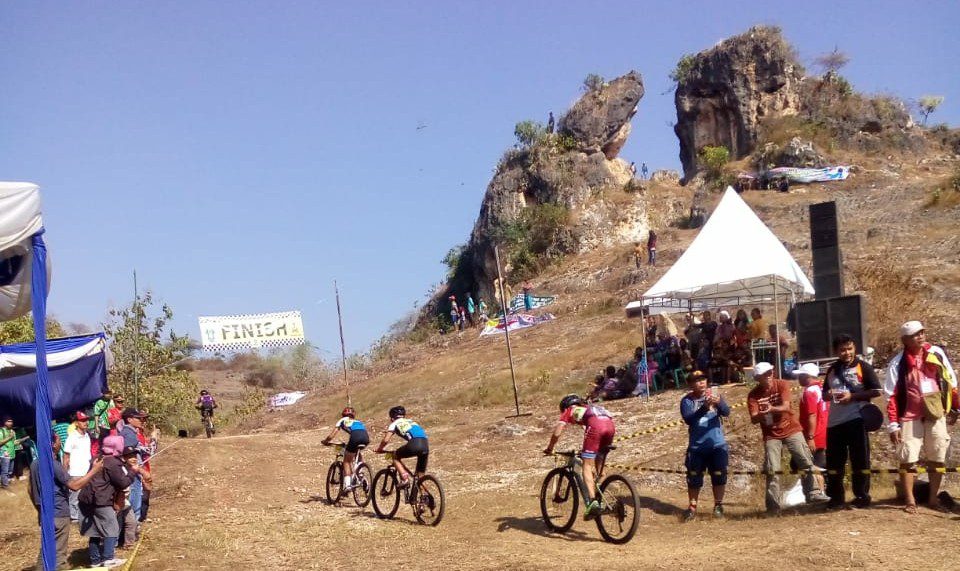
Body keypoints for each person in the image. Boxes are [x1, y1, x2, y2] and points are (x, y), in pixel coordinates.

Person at [884, 321, 957, 513]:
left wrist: (955, 407)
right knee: (908, 457)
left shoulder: (936, 353)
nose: (921, 336)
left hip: (935, 412)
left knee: (938, 454)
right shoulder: (897, 363)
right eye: (915, 334)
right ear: (905, 340)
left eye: (922, 332)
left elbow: (950, 380)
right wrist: (893, 424)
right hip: (909, 415)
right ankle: (910, 501)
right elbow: (890, 395)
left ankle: (933, 499)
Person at [747, 362, 829, 513]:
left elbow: (786, 406)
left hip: (791, 429)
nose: (769, 375)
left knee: (805, 461)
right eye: (765, 374)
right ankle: (773, 505)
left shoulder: (782, 384)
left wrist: (771, 408)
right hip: (771, 434)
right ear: (758, 378)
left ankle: (813, 493)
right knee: (772, 469)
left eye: (770, 372)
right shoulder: (753, 395)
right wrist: (762, 414)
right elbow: (753, 418)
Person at [821, 335, 882, 509]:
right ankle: (836, 498)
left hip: (856, 419)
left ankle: (862, 496)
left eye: (849, 349)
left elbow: (876, 391)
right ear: (836, 351)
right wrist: (830, 395)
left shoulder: (864, 366)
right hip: (834, 422)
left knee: (860, 459)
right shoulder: (832, 370)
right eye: (842, 350)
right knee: (834, 462)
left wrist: (852, 396)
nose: (847, 353)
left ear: (854, 348)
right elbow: (824, 394)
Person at [30, 432, 103, 571]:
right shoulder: (53, 464)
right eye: (58, 440)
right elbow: (74, 486)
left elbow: (30, 489)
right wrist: (94, 471)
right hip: (59, 513)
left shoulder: (35, 464)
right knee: (58, 553)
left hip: (45, 514)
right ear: (52, 444)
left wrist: (39, 508)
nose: (61, 443)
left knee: (46, 549)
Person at [543, 395, 615, 519]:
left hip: (596, 427)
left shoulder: (569, 410)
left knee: (586, 466)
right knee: (600, 471)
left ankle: (593, 502)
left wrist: (550, 448)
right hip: (610, 427)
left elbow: (557, 433)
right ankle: (601, 498)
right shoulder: (588, 408)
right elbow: (586, 427)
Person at [79, 435, 139, 568]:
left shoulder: (97, 458)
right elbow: (123, 483)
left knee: (94, 531)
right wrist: (133, 472)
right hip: (101, 500)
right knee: (112, 528)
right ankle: (108, 558)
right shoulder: (112, 462)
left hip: (87, 499)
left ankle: (95, 561)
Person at [680, 371, 731, 521]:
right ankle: (692, 507)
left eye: (703, 379)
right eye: (697, 380)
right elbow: (689, 419)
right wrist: (704, 407)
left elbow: (726, 412)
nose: (701, 382)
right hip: (697, 447)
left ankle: (718, 506)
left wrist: (719, 402)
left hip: (717, 445)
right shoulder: (687, 401)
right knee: (694, 478)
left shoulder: (714, 395)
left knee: (719, 476)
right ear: (691, 384)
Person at [792, 363, 829, 499]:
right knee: (816, 465)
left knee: (811, 465)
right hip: (823, 431)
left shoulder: (809, 392)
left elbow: (811, 415)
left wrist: (810, 437)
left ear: (807, 376)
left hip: (814, 434)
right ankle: (821, 492)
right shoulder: (821, 389)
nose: (798, 379)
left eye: (800, 376)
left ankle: (818, 493)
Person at [375, 406, 429, 488]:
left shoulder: (394, 423)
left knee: (395, 456)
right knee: (420, 476)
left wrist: (380, 449)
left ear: (392, 418)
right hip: (425, 445)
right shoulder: (412, 422)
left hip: (414, 443)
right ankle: (424, 494)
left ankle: (404, 479)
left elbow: (385, 440)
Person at [321, 407, 370, 494]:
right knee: (357, 453)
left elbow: (332, 434)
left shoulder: (342, 420)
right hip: (366, 438)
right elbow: (358, 433)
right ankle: (361, 474)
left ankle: (347, 485)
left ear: (343, 415)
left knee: (347, 461)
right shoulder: (357, 421)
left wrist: (326, 441)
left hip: (355, 438)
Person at [63, 410, 93, 522]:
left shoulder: (87, 436)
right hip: (75, 471)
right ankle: (74, 517)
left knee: (86, 495)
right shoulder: (72, 437)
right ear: (76, 423)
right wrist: (64, 473)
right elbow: (66, 456)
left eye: (86, 420)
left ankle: (84, 515)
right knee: (74, 497)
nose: (86, 422)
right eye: (82, 420)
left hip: (87, 471)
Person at [119, 408, 148, 523]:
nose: (141, 420)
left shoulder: (130, 432)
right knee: (134, 495)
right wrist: (141, 471)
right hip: (132, 472)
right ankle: (133, 523)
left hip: (133, 471)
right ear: (129, 419)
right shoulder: (129, 434)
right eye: (138, 418)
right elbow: (129, 457)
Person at [0, 416, 27, 488]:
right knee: (5, 472)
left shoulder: (12, 431)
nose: (10, 423)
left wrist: (21, 440)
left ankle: (7, 482)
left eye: (11, 421)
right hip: (5, 454)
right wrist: (10, 437)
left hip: (12, 453)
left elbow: (14, 442)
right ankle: (5, 486)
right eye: (8, 421)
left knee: (10, 471)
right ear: (4, 422)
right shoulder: (1, 431)